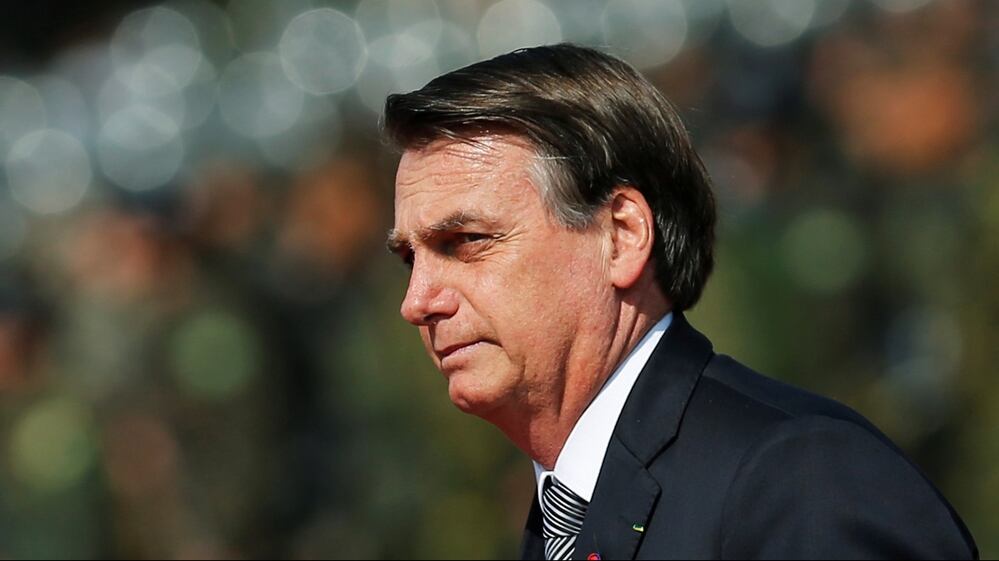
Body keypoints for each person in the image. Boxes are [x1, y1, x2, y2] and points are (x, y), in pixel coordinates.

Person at [382, 44, 978, 560]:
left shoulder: (802, 480)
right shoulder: (562, 515)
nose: (417, 302)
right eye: (410, 258)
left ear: (621, 236)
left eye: (467, 241)